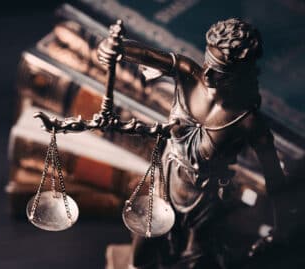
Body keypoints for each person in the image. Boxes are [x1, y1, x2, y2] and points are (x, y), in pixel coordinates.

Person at [98, 18, 287, 268]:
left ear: (239, 75)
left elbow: (276, 180)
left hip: (205, 203)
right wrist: (115, 48)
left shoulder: (247, 121)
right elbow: (143, 53)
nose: (206, 73)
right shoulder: (187, 74)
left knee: (196, 261)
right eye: (207, 61)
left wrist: (281, 229)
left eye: (219, 71)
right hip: (165, 183)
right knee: (140, 256)